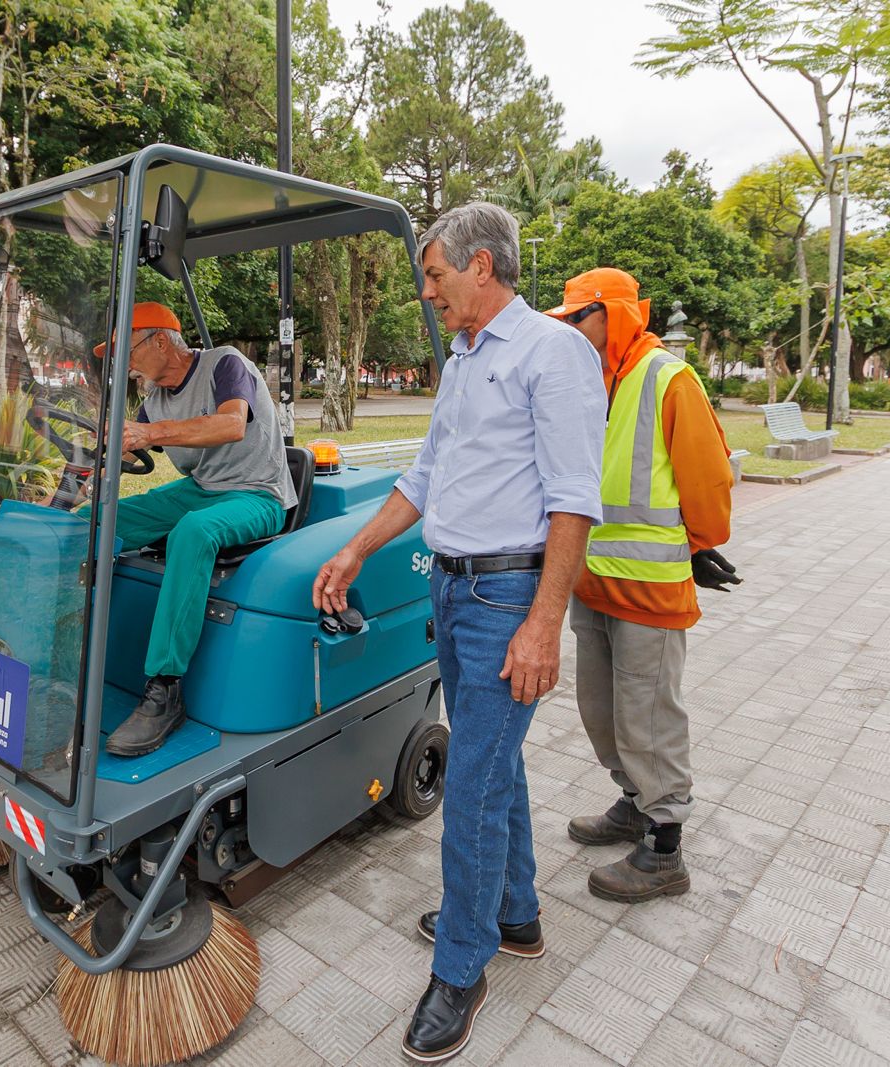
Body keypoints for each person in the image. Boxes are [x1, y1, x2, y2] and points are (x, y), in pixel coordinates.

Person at [313, 203, 605, 1063]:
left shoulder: (552, 352)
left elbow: (574, 500)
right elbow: (425, 474)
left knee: (472, 779)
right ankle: (514, 915)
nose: (428, 291)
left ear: (483, 266)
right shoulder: (467, 359)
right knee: (493, 758)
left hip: (508, 597)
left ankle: (461, 964)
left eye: (435, 274)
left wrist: (543, 623)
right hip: (452, 588)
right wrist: (357, 547)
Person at [545, 268, 740, 902]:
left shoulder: (668, 379)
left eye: (579, 317)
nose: (570, 329)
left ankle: (663, 848)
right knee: (602, 712)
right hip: (592, 583)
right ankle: (633, 802)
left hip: (649, 591)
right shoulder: (593, 381)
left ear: (614, 314)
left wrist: (700, 544)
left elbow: (708, 479)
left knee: (649, 718)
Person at [100, 301, 296, 757]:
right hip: (201, 490)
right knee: (100, 520)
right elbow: (122, 455)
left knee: (192, 532)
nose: (124, 364)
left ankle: (165, 688)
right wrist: (68, 491)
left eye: (127, 351)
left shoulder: (224, 364)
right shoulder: (154, 401)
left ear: (160, 341)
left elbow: (231, 424)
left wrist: (151, 434)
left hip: (257, 494)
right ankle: (69, 646)